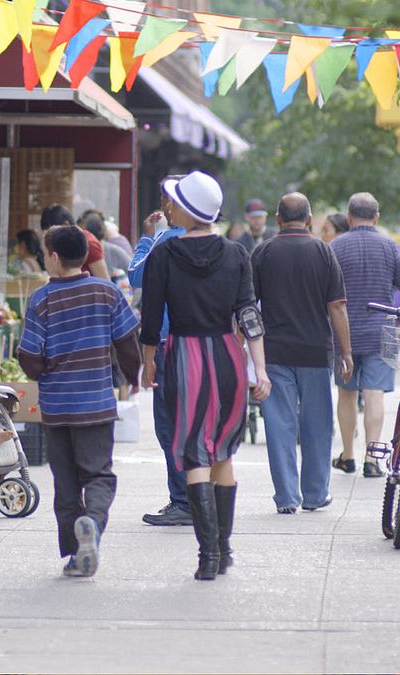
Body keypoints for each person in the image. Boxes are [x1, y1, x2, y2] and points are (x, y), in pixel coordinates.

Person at [139, 170, 272, 580]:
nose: (170, 206)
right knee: (224, 454)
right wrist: (260, 369)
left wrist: (148, 361)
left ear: (188, 209)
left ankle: (207, 556)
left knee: (194, 451)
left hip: (183, 356)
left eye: (176, 200)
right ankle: (225, 548)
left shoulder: (162, 255)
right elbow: (248, 314)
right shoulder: (236, 254)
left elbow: (149, 317)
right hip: (227, 357)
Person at [17, 225, 142, 578]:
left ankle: (75, 553)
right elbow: (127, 343)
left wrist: (41, 371)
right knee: (99, 475)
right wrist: (132, 378)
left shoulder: (42, 299)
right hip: (96, 402)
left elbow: (30, 358)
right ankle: (92, 523)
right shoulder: (107, 292)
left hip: (57, 407)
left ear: (54, 258)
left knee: (66, 482)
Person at [250, 193, 353, 515]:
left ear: (278, 219)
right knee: (317, 425)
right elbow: (336, 306)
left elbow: (249, 306)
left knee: (278, 425)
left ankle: (286, 498)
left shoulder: (263, 252)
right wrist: (345, 351)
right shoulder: (323, 252)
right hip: (314, 351)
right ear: (310, 220)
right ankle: (315, 494)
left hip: (275, 351)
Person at [329, 193, 400, 478]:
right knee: (374, 394)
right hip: (381, 333)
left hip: (343, 333)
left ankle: (347, 455)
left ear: (348, 217)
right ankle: (372, 457)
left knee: (346, 393)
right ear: (377, 217)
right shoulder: (390, 246)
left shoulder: (335, 247)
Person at [127, 175, 192, 527]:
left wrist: (148, 237)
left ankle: (182, 499)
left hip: (168, 345)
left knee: (169, 426)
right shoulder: (214, 243)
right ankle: (197, 496)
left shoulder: (163, 242)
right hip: (204, 346)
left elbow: (136, 277)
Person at [40, 204, 111, 280]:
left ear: (66, 224)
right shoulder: (60, 244)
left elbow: (104, 280)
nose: (51, 239)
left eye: (53, 233)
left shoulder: (89, 243)